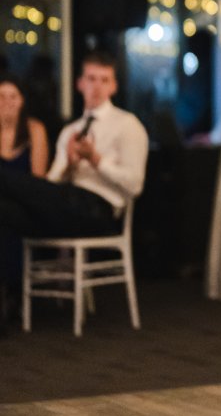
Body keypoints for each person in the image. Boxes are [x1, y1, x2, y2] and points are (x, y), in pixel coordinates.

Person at [0, 51, 148, 267]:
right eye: (91, 79)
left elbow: (135, 185)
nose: (97, 87)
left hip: (100, 210)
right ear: (80, 84)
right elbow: (50, 184)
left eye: (104, 80)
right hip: (64, 208)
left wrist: (96, 160)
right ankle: (11, 285)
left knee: (8, 181)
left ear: (113, 86)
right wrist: (69, 165)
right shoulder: (71, 130)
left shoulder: (127, 124)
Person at [0, 75, 49, 177]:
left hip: (28, 187)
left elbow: (38, 178)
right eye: (1, 96)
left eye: (13, 97)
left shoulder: (35, 129)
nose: (7, 102)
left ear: (22, 101)